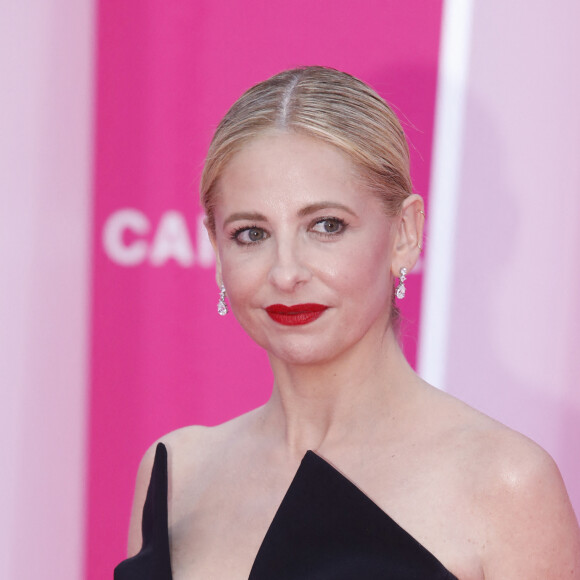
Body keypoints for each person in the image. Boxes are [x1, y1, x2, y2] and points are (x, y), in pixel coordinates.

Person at [115, 66, 580, 579]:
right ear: (215, 246)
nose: (286, 272)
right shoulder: (176, 470)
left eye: (326, 226)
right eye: (251, 234)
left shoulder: (504, 484)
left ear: (404, 233)